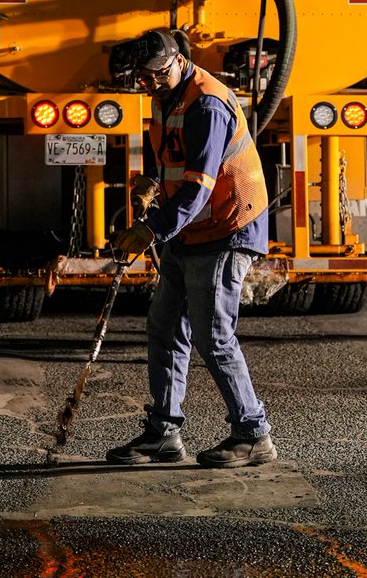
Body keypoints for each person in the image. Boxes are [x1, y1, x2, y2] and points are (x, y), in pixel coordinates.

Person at [108, 28, 276, 468]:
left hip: (226, 226)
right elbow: (172, 159)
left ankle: (253, 434)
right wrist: (150, 184)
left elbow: (199, 186)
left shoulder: (206, 103)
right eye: (143, 78)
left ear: (179, 60)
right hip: (192, 228)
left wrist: (151, 230)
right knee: (164, 327)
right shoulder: (165, 96)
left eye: (158, 75)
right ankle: (164, 432)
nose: (151, 84)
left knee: (213, 335)